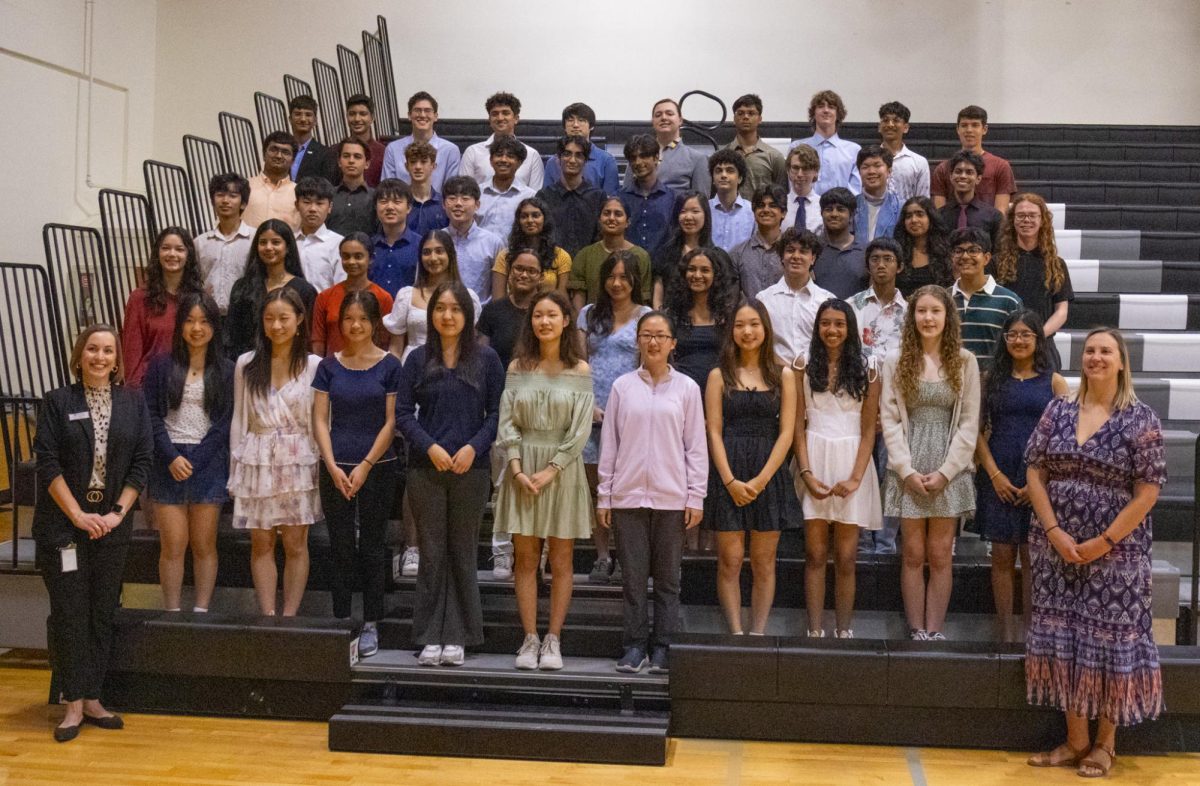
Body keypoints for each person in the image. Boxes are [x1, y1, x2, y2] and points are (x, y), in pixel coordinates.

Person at [1023, 328, 1165, 778]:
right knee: (1064, 638)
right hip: (1055, 548)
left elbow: (1147, 494)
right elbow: (1034, 470)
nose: (1096, 357)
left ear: (1121, 362)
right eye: (1089, 351)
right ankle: (1075, 740)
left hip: (1117, 554)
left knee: (1108, 642)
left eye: (1106, 351)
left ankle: (1105, 745)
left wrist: (1103, 542)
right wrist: (1054, 531)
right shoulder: (1058, 409)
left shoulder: (1142, 419)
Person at [33, 325, 153, 742]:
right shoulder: (57, 401)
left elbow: (142, 461)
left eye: (108, 351)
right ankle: (71, 704)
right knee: (70, 615)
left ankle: (93, 699)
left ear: (117, 360)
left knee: (102, 613)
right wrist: (78, 514)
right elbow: (47, 463)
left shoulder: (133, 402)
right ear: (79, 355)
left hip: (111, 527)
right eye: (92, 350)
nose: (100, 357)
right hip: (63, 527)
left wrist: (118, 513)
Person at [398, 282, 505, 666]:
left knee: (461, 553)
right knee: (431, 554)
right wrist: (430, 446)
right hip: (425, 469)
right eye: (440, 308)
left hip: (470, 469)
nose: (447, 315)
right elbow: (403, 415)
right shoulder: (415, 359)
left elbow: (496, 415)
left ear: (468, 315)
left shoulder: (487, 359)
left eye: (455, 309)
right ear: (431, 315)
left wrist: (472, 447)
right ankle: (429, 636)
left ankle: (458, 636)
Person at [598, 311, 707, 673]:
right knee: (632, 579)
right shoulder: (622, 387)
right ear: (638, 342)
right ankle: (633, 646)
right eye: (647, 335)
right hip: (628, 497)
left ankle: (663, 646)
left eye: (661, 335)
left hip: (671, 498)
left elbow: (696, 448)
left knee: (667, 580)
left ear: (673, 343)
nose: (654, 342)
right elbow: (609, 444)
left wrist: (695, 496)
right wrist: (605, 494)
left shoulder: (688, 389)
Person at [494, 291, 593, 670]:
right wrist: (517, 467)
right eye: (538, 315)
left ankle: (553, 639)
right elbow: (506, 420)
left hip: (561, 471)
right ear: (530, 321)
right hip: (523, 468)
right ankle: (530, 638)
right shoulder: (518, 366)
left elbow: (581, 429)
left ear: (566, 320)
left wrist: (552, 468)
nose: (545, 322)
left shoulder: (580, 370)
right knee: (526, 558)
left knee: (562, 559)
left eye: (552, 315)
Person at [880, 285, 980, 640]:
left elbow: (969, 423)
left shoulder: (965, 361)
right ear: (912, 317)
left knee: (940, 555)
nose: (928, 318)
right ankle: (916, 629)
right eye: (921, 311)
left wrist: (947, 472)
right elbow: (889, 419)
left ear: (947, 317)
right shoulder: (896, 360)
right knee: (912, 554)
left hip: (947, 466)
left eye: (935, 311)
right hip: (908, 465)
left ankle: (935, 631)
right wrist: (905, 470)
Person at [312, 290, 403, 658]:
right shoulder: (328, 365)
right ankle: (341, 619)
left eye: (363, 319)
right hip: (335, 468)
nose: (355, 325)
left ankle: (371, 621)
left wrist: (365, 465)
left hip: (378, 468)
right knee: (340, 546)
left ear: (374, 323)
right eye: (349, 318)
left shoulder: (390, 365)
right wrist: (332, 465)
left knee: (372, 546)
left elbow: (393, 420)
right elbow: (319, 419)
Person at [971, 310, 1068, 642]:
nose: (1018, 340)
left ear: (1039, 339)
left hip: (1040, 478)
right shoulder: (990, 378)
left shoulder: (1054, 381)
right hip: (999, 474)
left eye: (1026, 334)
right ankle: (1004, 633)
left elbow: (1066, 437)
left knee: (1032, 557)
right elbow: (976, 432)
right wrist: (994, 474)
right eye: (1012, 334)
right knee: (1000, 554)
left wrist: (1039, 484)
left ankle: (1031, 636)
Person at [705, 300, 800, 635]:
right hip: (727, 470)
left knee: (763, 563)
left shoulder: (783, 373)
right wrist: (730, 480)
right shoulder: (718, 375)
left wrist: (760, 481)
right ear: (732, 331)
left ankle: (758, 633)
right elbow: (713, 431)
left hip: (768, 473)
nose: (747, 331)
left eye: (754, 324)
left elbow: (787, 433)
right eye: (740, 325)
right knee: (729, 561)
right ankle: (735, 633)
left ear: (765, 329)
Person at [229, 287, 322, 616]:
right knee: (261, 542)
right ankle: (268, 616)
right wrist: (234, 468)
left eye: (284, 318)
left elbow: (320, 421)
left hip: (299, 459)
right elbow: (239, 420)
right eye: (269, 319)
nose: (277, 325)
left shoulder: (314, 365)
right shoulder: (246, 363)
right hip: (257, 458)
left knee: (296, 544)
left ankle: (290, 616)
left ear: (299, 320)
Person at [794, 299, 882, 638]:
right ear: (818, 327)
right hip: (813, 457)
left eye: (839, 324)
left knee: (846, 557)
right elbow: (798, 427)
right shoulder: (803, 364)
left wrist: (856, 477)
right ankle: (814, 630)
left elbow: (868, 429)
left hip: (852, 460)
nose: (832, 330)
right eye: (826, 323)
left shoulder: (869, 367)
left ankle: (844, 631)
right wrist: (806, 473)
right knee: (815, 554)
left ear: (850, 329)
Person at [143, 293, 233, 614]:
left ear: (214, 326)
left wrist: (196, 460)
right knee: (173, 545)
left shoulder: (226, 369)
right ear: (180, 324)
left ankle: (201, 611)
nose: (197, 328)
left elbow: (224, 424)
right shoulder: (161, 364)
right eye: (190, 320)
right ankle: (172, 612)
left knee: (204, 545)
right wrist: (170, 456)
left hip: (207, 463)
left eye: (204, 321)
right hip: (167, 461)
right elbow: (150, 415)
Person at [579, 253, 652, 584]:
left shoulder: (646, 317)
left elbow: (649, 366)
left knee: (628, 491)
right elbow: (578, 365)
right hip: (592, 413)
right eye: (611, 276)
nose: (617, 283)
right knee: (599, 489)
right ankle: (602, 556)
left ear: (635, 281)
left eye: (624, 276)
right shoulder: (588, 314)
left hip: (631, 414)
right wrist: (588, 404)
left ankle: (628, 556)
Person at [848, 239, 908, 556]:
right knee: (858, 470)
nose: (881, 265)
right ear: (868, 265)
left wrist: (889, 411)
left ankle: (885, 542)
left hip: (896, 409)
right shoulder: (852, 307)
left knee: (891, 472)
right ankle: (858, 538)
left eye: (888, 258)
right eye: (875, 259)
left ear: (900, 265)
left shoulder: (912, 313)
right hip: (854, 405)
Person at [994, 193, 1074, 370]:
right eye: (1021, 215)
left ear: (1042, 220)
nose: (1026, 220)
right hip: (1005, 345)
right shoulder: (995, 263)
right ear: (1012, 221)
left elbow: (1061, 311)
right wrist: (1015, 337)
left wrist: (1037, 336)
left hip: (1043, 345)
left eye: (1032, 215)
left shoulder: (1056, 264)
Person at [122, 226, 204, 388]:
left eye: (179, 249)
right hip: (150, 387)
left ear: (188, 256)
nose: (172, 254)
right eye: (165, 248)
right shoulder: (139, 298)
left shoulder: (199, 299)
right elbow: (131, 353)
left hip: (190, 387)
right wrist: (134, 395)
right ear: (157, 254)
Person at [224, 219, 318, 359]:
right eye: (263, 242)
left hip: (291, 365)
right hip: (248, 365)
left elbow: (307, 337)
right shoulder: (242, 287)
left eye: (275, 242)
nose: (268, 247)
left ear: (288, 247)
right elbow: (232, 335)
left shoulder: (304, 290)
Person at [387, 229, 482, 363]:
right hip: (412, 367)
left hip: (453, 367)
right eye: (426, 252)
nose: (433, 258)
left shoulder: (468, 297)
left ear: (450, 255)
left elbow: (469, 342)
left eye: (439, 251)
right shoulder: (406, 295)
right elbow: (396, 348)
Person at [758, 228, 835, 369]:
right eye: (790, 250)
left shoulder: (827, 301)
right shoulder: (764, 300)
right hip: (776, 379)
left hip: (816, 378)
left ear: (813, 258)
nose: (796, 256)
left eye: (804, 251)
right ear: (781, 256)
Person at [665, 247, 740, 392]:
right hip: (680, 392)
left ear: (715, 276)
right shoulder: (672, 315)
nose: (697, 275)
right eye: (692, 269)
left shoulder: (729, 315)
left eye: (705, 270)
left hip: (721, 391)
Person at [949, 227, 1024, 371]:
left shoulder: (1009, 301)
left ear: (987, 258)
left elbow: (1018, 348)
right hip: (950, 385)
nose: (965, 256)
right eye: (958, 251)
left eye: (973, 250)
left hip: (993, 386)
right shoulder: (942, 299)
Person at [311, 233, 394, 356]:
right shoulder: (325, 297)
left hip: (371, 369)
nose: (351, 261)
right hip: (332, 369)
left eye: (358, 256)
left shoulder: (383, 298)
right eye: (346, 256)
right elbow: (318, 341)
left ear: (370, 259)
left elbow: (385, 341)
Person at [569, 196, 653, 308]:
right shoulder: (585, 255)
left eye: (618, 214)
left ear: (627, 222)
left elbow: (642, 299)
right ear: (599, 219)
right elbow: (578, 301)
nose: (611, 218)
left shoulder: (641, 256)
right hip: (593, 322)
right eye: (607, 213)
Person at [931, 105, 1016, 213]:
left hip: (987, 228)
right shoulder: (942, 169)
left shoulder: (1001, 166)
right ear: (958, 129)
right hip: (952, 228)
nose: (969, 130)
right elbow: (940, 214)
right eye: (964, 125)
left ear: (984, 129)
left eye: (975, 125)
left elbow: (1000, 213)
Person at [458, 92, 544, 189]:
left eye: (505, 113)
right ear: (489, 120)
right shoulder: (473, 152)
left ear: (516, 119)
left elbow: (535, 195)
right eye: (495, 114)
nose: (500, 118)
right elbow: (464, 192)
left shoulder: (531, 155)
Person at [623, 98, 710, 195]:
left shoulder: (697, 159)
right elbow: (625, 194)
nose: (663, 118)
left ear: (680, 120)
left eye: (669, 113)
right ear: (652, 121)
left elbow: (701, 204)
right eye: (658, 115)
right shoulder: (637, 155)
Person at [490, 197, 572, 300]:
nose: (529, 220)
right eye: (524, 216)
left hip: (547, 313)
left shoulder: (561, 256)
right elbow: (498, 300)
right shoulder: (505, 256)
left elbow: (562, 300)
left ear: (545, 219)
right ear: (518, 221)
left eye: (535, 215)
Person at [195, 173, 254, 314]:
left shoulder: (255, 239)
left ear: (243, 203)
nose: (225, 200)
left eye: (233, 196)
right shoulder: (200, 242)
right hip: (209, 315)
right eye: (220, 195)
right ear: (212, 201)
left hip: (244, 316)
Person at [536, 135, 604, 256]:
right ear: (558, 158)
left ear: (586, 160)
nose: (572, 160)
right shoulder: (544, 196)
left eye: (579, 155)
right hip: (553, 266)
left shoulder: (598, 197)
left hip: (587, 268)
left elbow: (600, 239)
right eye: (567, 154)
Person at [442, 176, 506, 303]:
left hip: (482, 317)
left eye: (465, 199)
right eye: (452, 198)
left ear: (477, 205)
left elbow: (500, 289)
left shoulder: (493, 243)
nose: (458, 204)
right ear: (444, 204)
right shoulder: (435, 239)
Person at [381, 91, 462, 191]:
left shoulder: (450, 150)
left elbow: (451, 191)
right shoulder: (393, 149)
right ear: (409, 115)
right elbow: (387, 188)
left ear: (435, 116)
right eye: (417, 110)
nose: (422, 115)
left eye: (427, 110)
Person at [788, 90, 861, 195]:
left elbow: (855, 191)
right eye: (821, 106)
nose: (826, 110)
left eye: (831, 107)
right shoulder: (796, 147)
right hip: (805, 208)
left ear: (838, 114)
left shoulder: (853, 150)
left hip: (841, 209)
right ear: (813, 113)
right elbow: (792, 185)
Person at [479, 251, 541, 370]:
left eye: (531, 271)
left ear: (541, 277)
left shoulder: (546, 312)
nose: (524, 275)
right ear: (509, 271)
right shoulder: (492, 310)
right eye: (518, 268)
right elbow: (482, 358)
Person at [618, 134, 677, 256]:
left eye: (644, 156)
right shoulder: (620, 199)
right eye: (633, 158)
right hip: (629, 270)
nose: (638, 162)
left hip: (662, 271)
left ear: (656, 158)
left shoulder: (672, 198)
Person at [541, 102, 619, 194]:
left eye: (581, 120)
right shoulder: (553, 162)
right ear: (564, 127)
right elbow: (546, 198)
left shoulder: (606, 160)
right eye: (570, 120)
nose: (575, 125)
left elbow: (610, 200)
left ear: (591, 126)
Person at [652, 190, 712, 307]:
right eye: (683, 211)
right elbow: (658, 298)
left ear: (706, 215)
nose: (688, 217)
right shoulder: (665, 253)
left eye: (695, 211)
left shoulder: (716, 255)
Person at [935, 150, 1003, 250]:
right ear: (951, 177)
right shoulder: (939, 216)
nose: (963, 176)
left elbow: (997, 253)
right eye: (958, 171)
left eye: (969, 172)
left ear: (978, 179)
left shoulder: (993, 216)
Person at [730, 184, 788, 298]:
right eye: (761, 206)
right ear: (754, 212)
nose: (766, 210)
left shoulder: (793, 253)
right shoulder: (738, 254)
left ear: (783, 213)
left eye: (773, 205)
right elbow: (732, 298)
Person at [726, 94, 786, 199]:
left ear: (760, 119)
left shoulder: (774, 156)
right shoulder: (724, 155)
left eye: (751, 113)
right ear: (734, 118)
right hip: (730, 214)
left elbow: (781, 195)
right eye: (740, 113)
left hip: (762, 213)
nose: (745, 117)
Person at [369, 179, 423, 297]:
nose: (389, 207)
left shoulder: (421, 246)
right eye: (383, 201)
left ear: (409, 208)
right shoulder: (368, 246)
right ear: (376, 207)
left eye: (397, 202)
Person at [475, 136, 537, 237]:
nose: (503, 160)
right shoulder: (477, 193)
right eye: (499, 155)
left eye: (510, 156)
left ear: (519, 163)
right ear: (491, 160)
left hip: (514, 252)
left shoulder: (529, 196)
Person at [812, 187, 868, 299]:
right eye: (829, 209)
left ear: (852, 215)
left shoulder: (866, 251)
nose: (834, 214)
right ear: (821, 213)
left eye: (840, 209)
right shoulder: (812, 249)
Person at [893, 196, 953, 296]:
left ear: (931, 218)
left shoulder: (945, 253)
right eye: (908, 216)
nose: (914, 220)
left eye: (920, 214)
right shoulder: (896, 253)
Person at [293, 176, 344, 291]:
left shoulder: (339, 244)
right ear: (296, 205)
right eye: (306, 202)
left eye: (319, 203)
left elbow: (342, 287)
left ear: (330, 207)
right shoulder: (288, 241)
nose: (312, 209)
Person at [243, 131, 301, 230]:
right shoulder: (244, 187)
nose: (278, 156)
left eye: (285, 152)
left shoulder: (299, 193)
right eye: (274, 150)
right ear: (264, 155)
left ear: (293, 161)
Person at [877, 101, 929, 202]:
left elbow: (923, 201)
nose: (890, 125)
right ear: (879, 127)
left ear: (905, 128)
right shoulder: (868, 160)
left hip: (907, 217)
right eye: (886, 120)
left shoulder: (919, 162)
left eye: (896, 121)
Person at [326, 139, 376, 237]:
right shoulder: (327, 195)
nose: (351, 161)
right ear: (339, 162)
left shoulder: (376, 198)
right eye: (346, 156)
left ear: (367, 164)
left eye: (357, 157)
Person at [708, 149, 755, 252]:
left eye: (730, 170)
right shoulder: (704, 209)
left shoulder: (752, 211)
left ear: (740, 178)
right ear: (713, 179)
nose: (723, 175)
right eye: (718, 171)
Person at [403, 142, 451, 238]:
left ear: (433, 166)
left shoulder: (444, 205)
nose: (418, 167)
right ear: (406, 166)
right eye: (413, 162)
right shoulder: (400, 203)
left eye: (423, 162)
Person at [854, 146, 902, 241]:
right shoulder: (851, 206)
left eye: (877, 165)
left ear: (889, 171)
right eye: (865, 167)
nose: (871, 171)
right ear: (859, 172)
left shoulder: (901, 207)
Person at [289, 95, 336, 184]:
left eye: (308, 114)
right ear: (290, 119)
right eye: (298, 114)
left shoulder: (325, 154)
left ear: (315, 120)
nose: (303, 119)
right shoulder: (282, 151)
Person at [344, 93, 386, 187]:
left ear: (372, 118)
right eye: (352, 114)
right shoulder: (336, 151)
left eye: (363, 114)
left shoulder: (383, 153)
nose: (357, 119)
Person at [783, 144, 822, 234]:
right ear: (788, 171)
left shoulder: (823, 206)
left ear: (816, 172)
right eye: (795, 168)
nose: (800, 174)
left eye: (806, 168)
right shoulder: (778, 205)